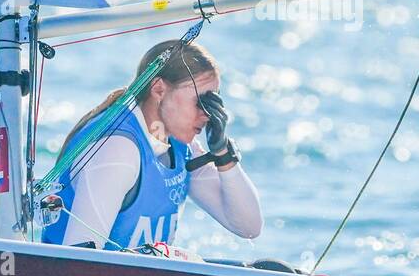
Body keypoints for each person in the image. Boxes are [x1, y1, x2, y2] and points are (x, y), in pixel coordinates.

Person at [40, 39, 261, 251]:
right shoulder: (118, 149)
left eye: (215, 102)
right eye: (202, 101)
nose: (208, 115)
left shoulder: (178, 144)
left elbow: (248, 226)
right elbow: (78, 260)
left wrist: (222, 153)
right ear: (159, 89)